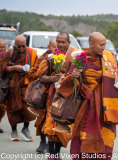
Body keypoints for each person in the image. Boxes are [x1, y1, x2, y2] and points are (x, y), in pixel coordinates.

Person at [58, 32, 118, 160]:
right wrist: (73, 77)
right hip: (88, 106)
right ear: (91, 44)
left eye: (104, 44)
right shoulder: (81, 58)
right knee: (86, 137)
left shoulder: (108, 57)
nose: (104, 47)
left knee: (107, 137)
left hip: (107, 108)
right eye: (101, 45)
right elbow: (65, 82)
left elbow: (117, 76)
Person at [29, 32, 79, 160]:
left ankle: (57, 154)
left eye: (63, 42)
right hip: (52, 96)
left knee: (64, 124)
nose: (61, 44)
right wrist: (53, 78)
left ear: (69, 43)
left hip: (67, 96)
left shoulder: (75, 56)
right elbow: (41, 76)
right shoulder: (50, 56)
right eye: (59, 42)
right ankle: (52, 155)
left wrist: (68, 78)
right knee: (51, 125)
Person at [0, 35, 37, 141]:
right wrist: (15, 68)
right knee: (13, 109)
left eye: (23, 46)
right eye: (18, 46)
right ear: (14, 45)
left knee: (28, 109)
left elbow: (36, 67)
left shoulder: (31, 53)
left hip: (26, 85)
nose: (21, 48)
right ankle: (14, 130)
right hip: (12, 86)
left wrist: (30, 70)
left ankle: (25, 129)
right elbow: (3, 68)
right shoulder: (9, 53)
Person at [28, 38, 57, 154]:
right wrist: (45, 75)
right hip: (43, 93)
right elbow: (33, 73)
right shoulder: (43, 57)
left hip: (57, 93)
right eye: (53, 47)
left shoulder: (63, 58)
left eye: (58, 47)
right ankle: (42, 142)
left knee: (54, 119)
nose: (56, 49)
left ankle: (54, 143)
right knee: (41, 118)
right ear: (48, 46)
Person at [0, 38, 7, 133]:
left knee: (2, 107)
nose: (2, 49)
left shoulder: (8, 55)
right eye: (0, 47)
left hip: (4, 85)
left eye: (4, 47)